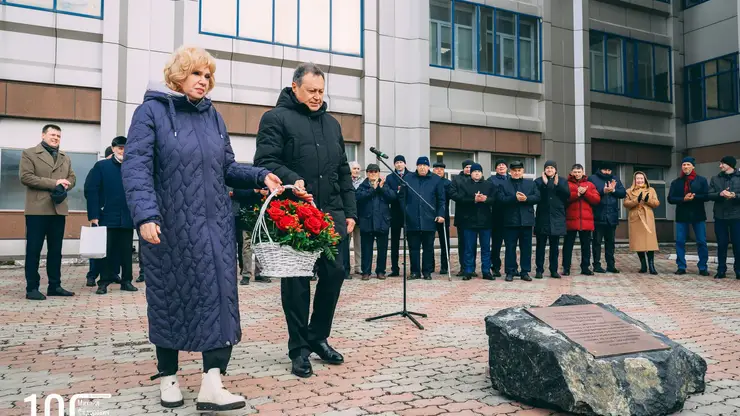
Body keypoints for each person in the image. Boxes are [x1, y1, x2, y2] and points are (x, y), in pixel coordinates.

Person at [122, 46, 282, 411]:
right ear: (178, 76)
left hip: (216, 230)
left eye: (207, 76)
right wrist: (146, 215)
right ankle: (168, 377)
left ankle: (212, 381)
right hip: (170, 228)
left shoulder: (214, 117)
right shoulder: (151, 113)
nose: (203, 81)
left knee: (219, 299)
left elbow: (226, 166)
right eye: (196, 74)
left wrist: (260, 175)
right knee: (170, 299)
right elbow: (136, 168)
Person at [253, 62, 357, 378]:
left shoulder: (333, 125)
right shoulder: (275, 119)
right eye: (311, 91)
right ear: (295, 87)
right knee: (297, 284)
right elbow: (265, 161)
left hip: (332, 214)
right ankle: (299, 349)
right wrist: (292, 178)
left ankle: (317, 335)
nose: (316, 97)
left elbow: (342, 171)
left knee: (336, 273)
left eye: (321, 91)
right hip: (296, 214)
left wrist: (351, 212)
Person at [19, 124, 76, 300]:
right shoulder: (29, 153)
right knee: (34, 250)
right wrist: (55, 183)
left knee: (55, 250)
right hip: (37, 210)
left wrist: (67, 183)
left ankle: (55, 285)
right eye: (52, 134)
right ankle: (32, 288)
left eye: (58, 136)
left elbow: (72, 177)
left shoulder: (65, 157)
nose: (56, 138)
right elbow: (26, 177)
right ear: (43, 135)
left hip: (58, 209)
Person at [84, 136, 138, 294]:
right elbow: (92, 191)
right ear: (113, 148)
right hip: (107, 216)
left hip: (127, 217)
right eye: (120, 148)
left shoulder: (133, 168)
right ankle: (104, 282)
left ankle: (126, 281)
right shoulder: (102, 166)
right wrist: (94, 214)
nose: (123, 151)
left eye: (126, 148)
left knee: (126, 251)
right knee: (105, 251)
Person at [448, 163, 495, 280]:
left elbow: (495, 199)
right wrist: (473, 199)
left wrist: (486, 199)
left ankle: (486, 271)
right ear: (471, 173)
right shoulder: (464, 185)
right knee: (469, 248)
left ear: (482, 173)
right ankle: (468, 271)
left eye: (479, 171)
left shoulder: (489, 185)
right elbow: (460, 199)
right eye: (474, 172)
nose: (477, 173)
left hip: (485, 221)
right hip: (469, 221)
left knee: (485, 248)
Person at [403, 156, 446, 280]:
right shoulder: (408, 178)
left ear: (428, 167)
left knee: (428, 248)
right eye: (420, 165)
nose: (422, 167)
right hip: (412, 220)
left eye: (425, 165)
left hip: (429, 220)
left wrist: (440, 214)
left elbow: (441, 200)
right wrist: (406, 212)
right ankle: (415, 272)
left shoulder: (436, 179)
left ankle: (427, 272)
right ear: (416, 166)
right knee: (414, 248)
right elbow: (402, 198)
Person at [497, 160, 540, 282]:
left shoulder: (530, 184)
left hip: (526, 221)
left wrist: (526, 199)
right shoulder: (504, 184)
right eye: (514, 171)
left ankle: (525, 271)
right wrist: (514, 198)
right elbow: (500, 199)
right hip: (510, 221)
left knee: (526, 248)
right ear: (510, 172)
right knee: (510, 247)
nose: (517, 173)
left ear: (523, 171)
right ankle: (510, 271)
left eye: (519, 170)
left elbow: (537, 197)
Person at [667, 157, 710, 276]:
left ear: (693, 166)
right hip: (682, 215)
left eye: (688, 164)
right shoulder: (676, 182)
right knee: (680, 241)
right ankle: (681, 266)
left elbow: (707, 196)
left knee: (701, 241)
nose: (685, 167)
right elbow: (670, 199)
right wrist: (683, 199)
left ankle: (703, 267)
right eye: (684, 165)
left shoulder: (701, 180)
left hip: (698, 214)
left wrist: (695, 196)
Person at [356, 163, 395, 280]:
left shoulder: (385, 185)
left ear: (379, 173)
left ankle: (381, 271)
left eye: (375, 172)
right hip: (367, 222)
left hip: (383, 222)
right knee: (366, 248)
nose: (373, 174)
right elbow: (358, 197)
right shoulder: (363, 185)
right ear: (367, 173)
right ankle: (366, 272)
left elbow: (392, 197)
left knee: (382, 249)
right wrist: (373, 189)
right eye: (371, 172)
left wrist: (381, 188)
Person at [562, 164, 600, 276]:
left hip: (586, 221)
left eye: (579, 172)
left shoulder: (590, 185)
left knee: (586, 246)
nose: (577, 174)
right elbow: (564, 199)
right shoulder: (566, 184)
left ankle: (585, 267)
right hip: (571, 219)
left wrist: (586, 193)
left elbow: (596, 199)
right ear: (571, 172)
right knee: (568, 245)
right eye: (575, 172)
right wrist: (577, 194)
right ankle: (566, 268)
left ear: (583, 172)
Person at [534, 160, 569, 279]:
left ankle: (553, 270)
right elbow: (536, 196)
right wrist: (545, 184)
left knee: (554, 247)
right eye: (547, 168)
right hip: (542, 217)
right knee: (540, 246)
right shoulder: (538, 181)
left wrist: (557, 184)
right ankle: (539, 270)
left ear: (556, 170)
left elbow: (566, 195)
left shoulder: (562, 181)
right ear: (544, 169)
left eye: (552, 168)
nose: (549, 170)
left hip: (557, 217)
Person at [589, 163, 626, 273]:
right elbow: (591, 193)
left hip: (612, 216)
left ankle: (611, 265)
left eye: (609, 170)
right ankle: (596, 265)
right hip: (598, 215)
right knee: (597, 242)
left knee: (610, 243)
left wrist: (613, 191)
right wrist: (603, 191)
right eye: (605, 169)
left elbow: (623, 193)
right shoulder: (593, 179)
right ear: (600, 169)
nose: (607, 172)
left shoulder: (615, 179)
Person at [708, 156, 740, 279]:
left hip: (737, 216)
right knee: (721, 244)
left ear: (729, 165)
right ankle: (721, 270)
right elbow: (709, 194)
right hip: (720, 216)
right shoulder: (715, 179)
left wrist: (735, 196)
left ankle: (738, 270)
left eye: (722, 164)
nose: (720, 166)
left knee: (738, 245)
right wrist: (720, 194)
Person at [623, 172, 661, 275]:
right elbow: (625, 204)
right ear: (634, 180)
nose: (640, 180)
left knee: (650, 242)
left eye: (641, 178)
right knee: (638, 242)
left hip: (647, 216)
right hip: (636, 217)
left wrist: (648, 200)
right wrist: (636, 200)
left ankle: (652, 266)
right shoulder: (629, 191)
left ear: (645, 179)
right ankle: (643, 265)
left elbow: (656, 203)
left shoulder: (651, 190)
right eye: (637, 179)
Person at [231, 188, 268, 285]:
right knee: (247, 246)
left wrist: (266, 192)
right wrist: (255, 191)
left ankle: (260, 273)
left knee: (261, 244)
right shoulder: (244, 177)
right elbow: (237, 193)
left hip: (263, 215)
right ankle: (246, 274)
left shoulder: (264, 176)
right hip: (247, 215)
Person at [385, 155, 409, 276]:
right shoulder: (390, 178)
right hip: (394, 213)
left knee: (410, 240)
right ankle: (395, 268)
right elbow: (388, 194)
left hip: (408, 213)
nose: (399, 164)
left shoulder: (411, 176)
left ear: (405, 163)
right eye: (397, 162)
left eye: (401, 162)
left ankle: (413, 268)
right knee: (394, 242)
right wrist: (398, 192)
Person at [487, 159, 509, 277]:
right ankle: (495, 266)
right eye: (498, 165)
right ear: (495, 169)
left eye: (503, 165)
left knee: (511, 244)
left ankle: (512, 267)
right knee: (496, 244)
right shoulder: (491, 180)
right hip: (496, 216)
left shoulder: (511, 179)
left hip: (511, 217)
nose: (501, 167)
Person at [452, 160, 474, 276]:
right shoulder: (456, 179)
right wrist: (465, 198)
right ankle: (463, 267)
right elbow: (453, 194)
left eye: (470, 167)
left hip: (475, 216)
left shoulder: (477, 178)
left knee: (472, 243)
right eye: (466, 167)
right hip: (461, 216)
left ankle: (472, 268)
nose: (468, 169)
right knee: (463, 243)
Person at [344, 160, 364, 278]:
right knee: (346, 243)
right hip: (347, 217)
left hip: (360, 217)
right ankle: (346, 267)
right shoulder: (345, 182)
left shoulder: (363, 182)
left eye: (358, 168)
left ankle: (358, 267)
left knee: (359, 243)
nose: (356, 171)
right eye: (354, 168)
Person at [432, 162, 451, 274]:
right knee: (430, 241)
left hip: (443, 215)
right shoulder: (430, 181)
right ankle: (430, 265)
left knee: (444, 242)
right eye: (436, 169)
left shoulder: (447, 183)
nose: (439, 171)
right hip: (430, 215)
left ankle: (445, 266)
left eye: (441, 169)